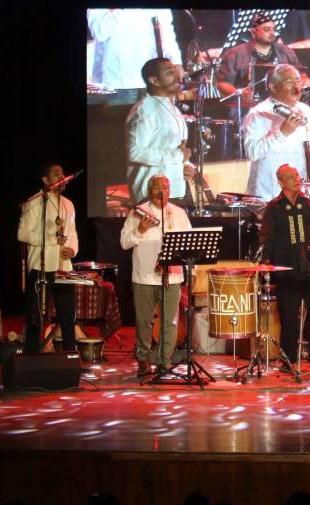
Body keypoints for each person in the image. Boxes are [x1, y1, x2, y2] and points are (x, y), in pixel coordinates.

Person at [259, 165, 310, 375]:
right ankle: (288, 360)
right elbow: (267, 239)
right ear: (281, 182)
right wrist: (266, 263)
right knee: (289, 318)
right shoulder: (274, 207)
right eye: (290, 177)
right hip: (286, 271)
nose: (296, 180)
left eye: (297, 176)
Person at [120, 175, 192, 375]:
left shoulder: (179, 213)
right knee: (144, 321)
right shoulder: (138, 213)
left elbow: (189, 244)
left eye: (167, 187)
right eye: (158, 187)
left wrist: (187, 269)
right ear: (149, 190)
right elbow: (124, 242)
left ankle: (164, 360)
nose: (163, 190)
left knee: (170, 321)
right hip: (144, 275)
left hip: (173, 276)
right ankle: (143, 358)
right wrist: (140, 230)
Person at [18, 163, 79, 352]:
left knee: (68, 316)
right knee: (36, 317)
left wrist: (72, 250)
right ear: (45, 180)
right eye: (56, 174)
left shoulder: (68, 204)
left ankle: (70, 358)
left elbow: (73, 233)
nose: (62, 176)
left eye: (62, 173)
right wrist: (52, 240)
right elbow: (22, 234)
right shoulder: (35, 202)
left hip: (63, 267)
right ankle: (32, 360)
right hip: (40, 267)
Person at [242, 64, 310, 201]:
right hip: (268, 197)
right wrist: (281, 133)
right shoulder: (258, 114)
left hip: (301, 195)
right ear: (273, 87)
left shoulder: (306, 111)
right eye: (290, 82)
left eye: (298, 81)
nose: (297, 87)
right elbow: (252, 152)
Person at [125, 57, 195, 205]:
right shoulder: (145, 110)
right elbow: (134, 152)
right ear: (154, 80)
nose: (177, 76)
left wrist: (186, 166)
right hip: (150, 195)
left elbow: (175, 149)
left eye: (176, 71)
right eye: (170, 72)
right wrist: (178, 157)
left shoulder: (173, 109)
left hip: (175, 191)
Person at [87, 9, 182, 101]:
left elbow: (166, 33)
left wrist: (176, 62)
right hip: (113, 85)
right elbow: (99, 32)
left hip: (148, 83)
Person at [216, 12, 301, 107]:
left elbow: (301, 75)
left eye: (274, 29)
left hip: (283, 105)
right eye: (267, 30)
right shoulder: (235, 53)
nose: (272, 33)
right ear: (253, 32)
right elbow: (222, 83)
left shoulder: (286, 52)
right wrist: (241, 93)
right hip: (247, 107)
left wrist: (304, 80)